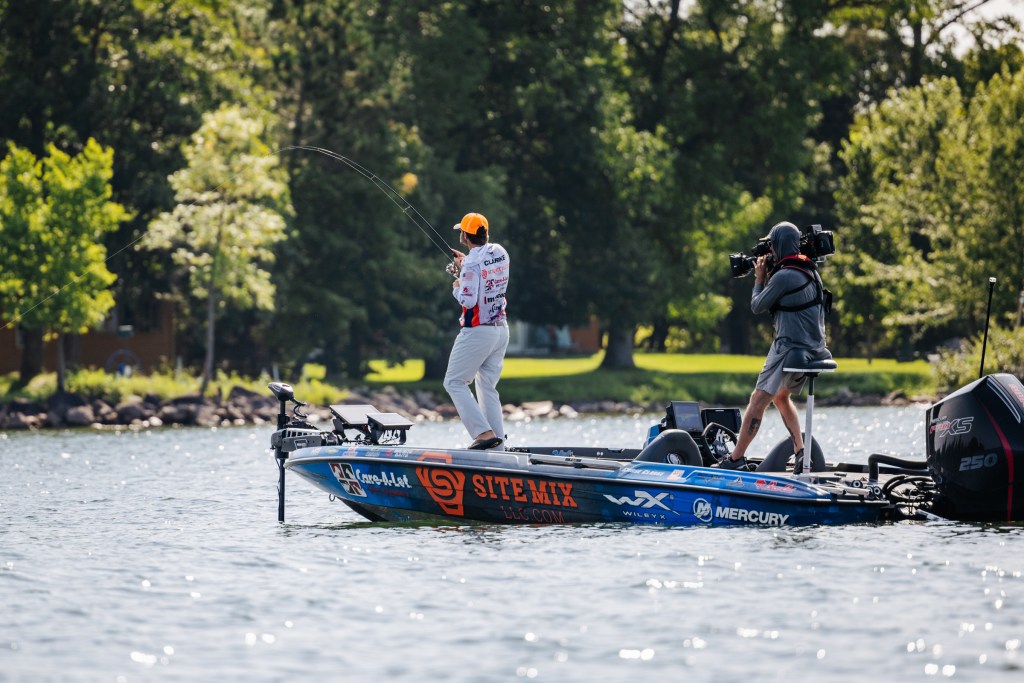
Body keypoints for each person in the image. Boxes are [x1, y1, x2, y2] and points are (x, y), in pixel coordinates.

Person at [718, 221, 832, 471]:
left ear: (778, 245)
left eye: (771, 246)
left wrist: (759, 279)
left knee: (758, 399)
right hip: (814, 347)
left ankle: (735, 460)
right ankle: (800, 451)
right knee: (780, 397)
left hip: (789, 347)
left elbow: (757, 306)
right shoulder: (808, 270)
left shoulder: (784, 275)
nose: (768, 251)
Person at [443, 212, 511, 450]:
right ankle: (498, 448)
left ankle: (483, 433)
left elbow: (469, 300)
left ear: (465, 236)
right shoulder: (500, 252)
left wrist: (457, 286)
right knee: (487, 388)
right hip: (501, 330)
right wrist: (465, 267)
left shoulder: (471, 264)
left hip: (478, 331)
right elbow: (483, 269)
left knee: (453, 382)